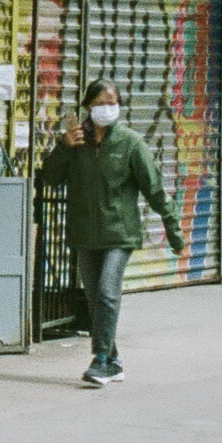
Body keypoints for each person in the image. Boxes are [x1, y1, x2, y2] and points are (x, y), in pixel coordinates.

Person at [38, 79, 182, 389]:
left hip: (120, 234)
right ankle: (114, 360)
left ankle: (100, 360)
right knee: (95, 300)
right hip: (85, 234)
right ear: (88, 107)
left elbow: (155, 190)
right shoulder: (74, 144)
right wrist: (63, 147)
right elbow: (49, 178)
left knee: (106, 292)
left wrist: (173, 227)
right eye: (101, 102)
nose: (108, 108)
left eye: (113, 102)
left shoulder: (131, 144)